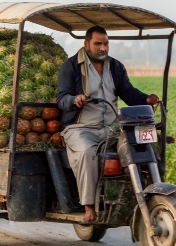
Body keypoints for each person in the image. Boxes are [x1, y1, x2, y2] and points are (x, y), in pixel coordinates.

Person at [57, 26, 159, 222]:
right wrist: (74, 100)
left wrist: (146, 99)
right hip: (80, 128)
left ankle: (145, 194)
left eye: (105, 44)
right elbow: (62, 98)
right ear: (86, 44)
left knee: (141, 145)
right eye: (98, 44)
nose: (103, 48)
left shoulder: (116, 67)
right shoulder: (70, 67)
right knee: (88, 153)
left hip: (111, 128)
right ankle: (88, 206)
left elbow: (128, 92)